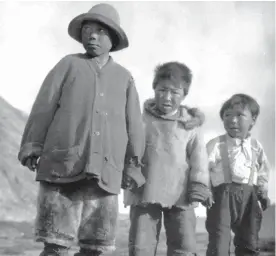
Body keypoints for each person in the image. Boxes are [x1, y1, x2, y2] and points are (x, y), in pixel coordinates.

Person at [17, 3, 145, 256]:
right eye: (87, 29)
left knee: (95, 249)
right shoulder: (68, 65)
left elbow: (134, 125)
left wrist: (133, 164)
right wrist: (33, 144)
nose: (92, 35)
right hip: (63, 166)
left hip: (105, 173)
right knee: (55, 246)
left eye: (100, 30)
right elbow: (44, 106)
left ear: (114, 39)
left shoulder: (125, 78)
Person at [124, 61, 212, 256]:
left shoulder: (190, 125)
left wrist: (199, 185)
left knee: (184, 246)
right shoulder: (140, 118)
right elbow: (128, 146)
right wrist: (128, 170)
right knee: (141, 246)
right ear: (154, 88)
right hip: (145, 190)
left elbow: (199, 158)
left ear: (184, 95)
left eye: (175, 92)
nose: (167, 97)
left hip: (180, 193)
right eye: (162, 90)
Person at [205, 93, 271, 256]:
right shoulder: (216, 144)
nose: (232, 120)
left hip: (250, 199)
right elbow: (202, 168)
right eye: (227, 115)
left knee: (249, 240)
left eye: (239, 115)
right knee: (219, 241)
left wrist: (263, 191)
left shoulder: (256, 146)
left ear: (253, 120)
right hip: (221, 200)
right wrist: (204, 190)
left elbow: (263, 170)